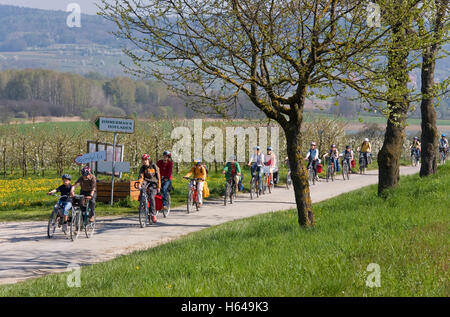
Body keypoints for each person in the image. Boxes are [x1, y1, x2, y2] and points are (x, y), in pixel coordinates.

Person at [137, 154, 161, 223]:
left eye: (145, 160)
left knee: (151, 196)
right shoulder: (143, 168)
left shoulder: (154, 166)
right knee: (142, 188)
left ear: (148, 160)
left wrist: (159, 187)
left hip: (154, 183)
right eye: (143, 160)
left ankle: (153, 214)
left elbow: (158, 177)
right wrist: (139, 184)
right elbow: (141, 177)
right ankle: (142, 203)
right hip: (146, 181)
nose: (144, 162)